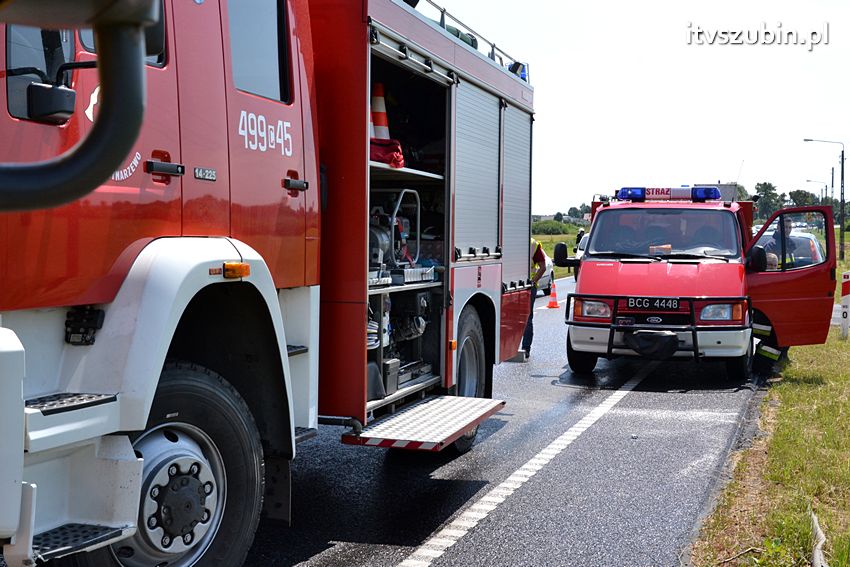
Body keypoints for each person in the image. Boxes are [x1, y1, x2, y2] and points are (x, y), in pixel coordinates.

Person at [522, 238, 547, 358]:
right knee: (527, 317)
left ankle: (525, 348)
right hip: (527, 285)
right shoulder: (533, 243)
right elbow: (542, 267)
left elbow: (543, 267)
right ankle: (524, 349)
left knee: (527, 317)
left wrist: (532, 281)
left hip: (526, 286)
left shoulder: (533, 244)